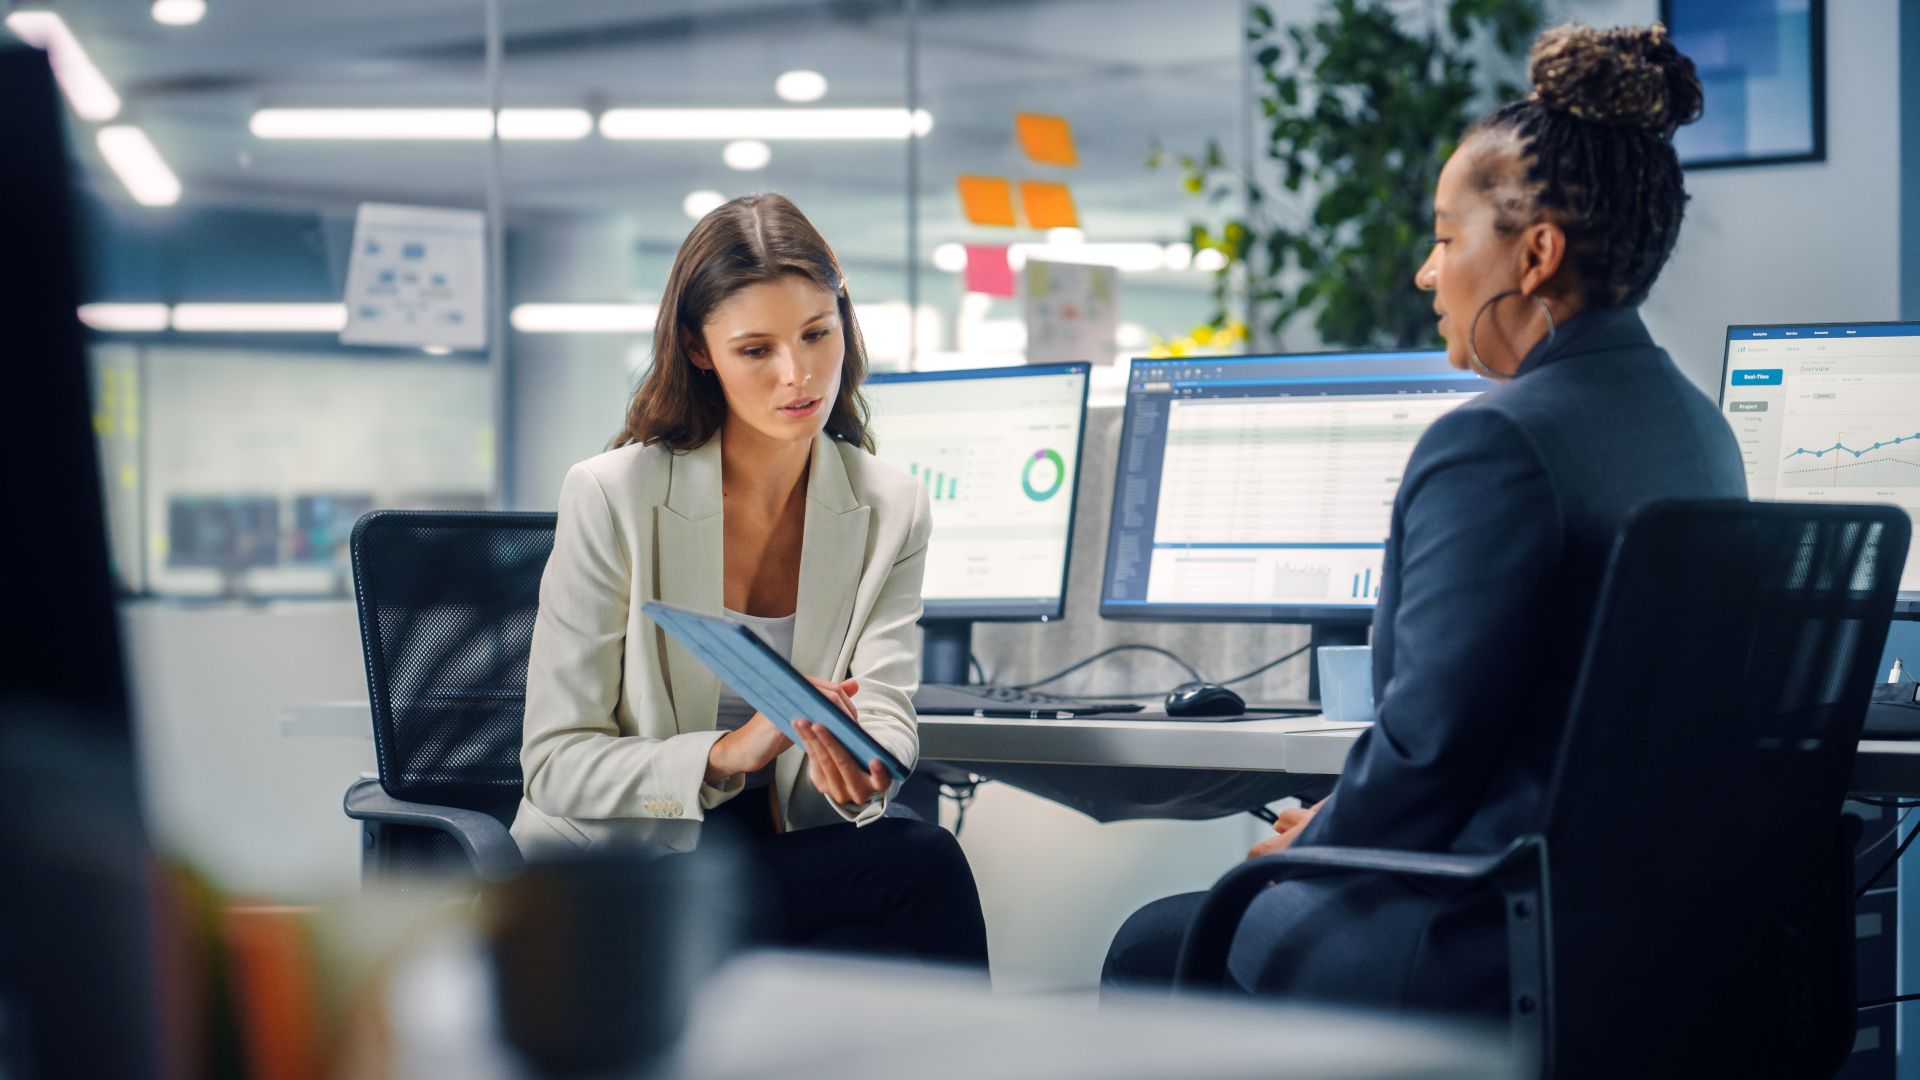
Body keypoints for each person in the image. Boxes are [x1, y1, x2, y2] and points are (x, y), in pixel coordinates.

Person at [1103, 23, 1744, 1012]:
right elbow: (1501, 735)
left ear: (1534, 253)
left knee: (1156, 940)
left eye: (1447, 238)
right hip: (1644, 926)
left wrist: (1310, 843)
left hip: (1490, 925)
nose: (1426, 272)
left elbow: (1428, 757)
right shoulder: (1699, 426)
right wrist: (1330, 821)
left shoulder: (1496, 443)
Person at [510, 192, 988, 967]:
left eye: (816, 335)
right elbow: (557, 764)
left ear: (845, 325)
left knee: (889, 914)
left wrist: (866, 769)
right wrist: (728, 753)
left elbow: (888, 705)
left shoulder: (889, 505)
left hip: (783, 853)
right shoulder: (614, 495)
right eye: (756, 350)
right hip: (627, 873)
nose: (798, 375)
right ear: (700, 351)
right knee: (920, 871)